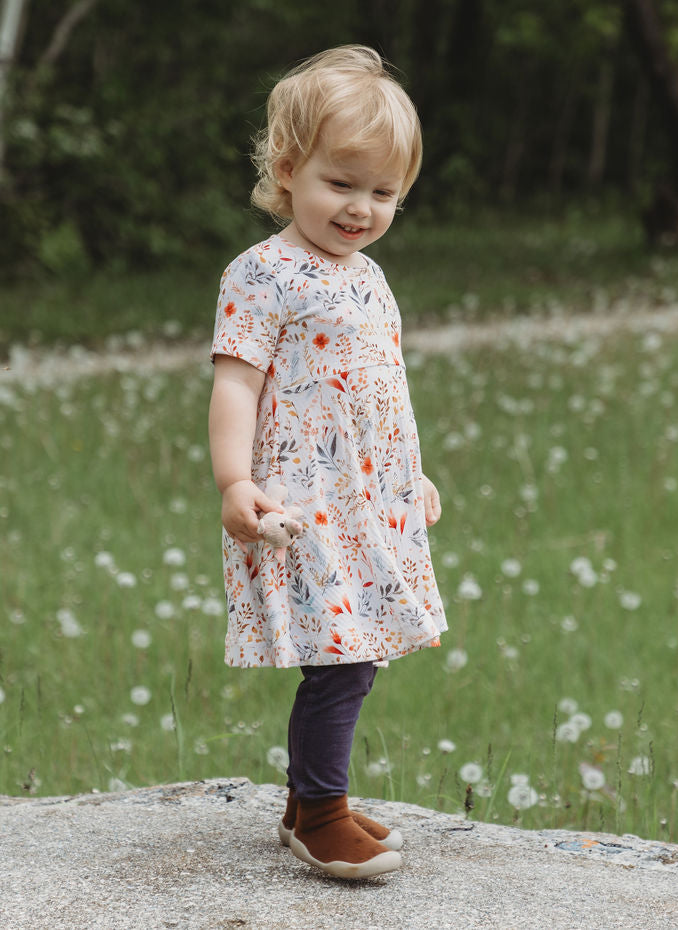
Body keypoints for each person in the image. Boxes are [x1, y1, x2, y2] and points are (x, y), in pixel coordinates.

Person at [207, 45, 447, 880]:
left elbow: (381, 390)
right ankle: (320, 813)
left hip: (367, 500)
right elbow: (237, 386)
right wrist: (237, 482)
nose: (362, 209)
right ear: (286, 167)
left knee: (361, 651)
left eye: (385, 194)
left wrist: (407, 476)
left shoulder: (371, 278)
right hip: (302, 504)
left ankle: (308, 796)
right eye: (342, 184)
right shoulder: (263, 275)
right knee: (340, 659)